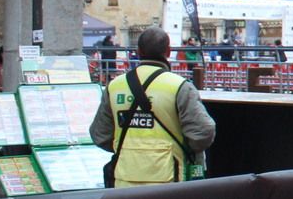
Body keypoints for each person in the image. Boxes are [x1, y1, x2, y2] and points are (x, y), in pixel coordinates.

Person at [90, 27, 215, 187]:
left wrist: (131, 150)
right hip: (169, 184)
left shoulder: (115, 87)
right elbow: (203, 132)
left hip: (123, 184)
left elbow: (99, 135)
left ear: (138, 51)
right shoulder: (180, 87)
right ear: (168, 52)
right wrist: (180, 150)